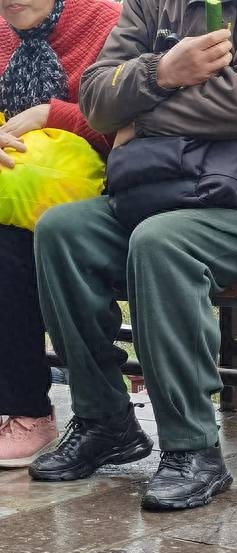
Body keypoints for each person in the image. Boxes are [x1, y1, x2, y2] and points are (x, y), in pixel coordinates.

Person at [29, 0, 237, 511]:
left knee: (161, 241)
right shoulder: (153, 4)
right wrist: (163, 70)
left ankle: (193, 450)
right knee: (63, 230)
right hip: (163, 195)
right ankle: (106, 422)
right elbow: (97, 99)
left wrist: (142, 118)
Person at [0, 0, 121, 468]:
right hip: (23, 190)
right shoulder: (4, 33)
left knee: (12, 246)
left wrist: (52, 115)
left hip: (107, 194)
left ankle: (30, 412)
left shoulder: (104, 24)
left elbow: (132, 119)